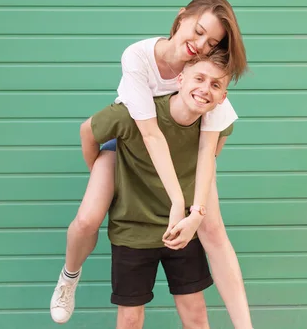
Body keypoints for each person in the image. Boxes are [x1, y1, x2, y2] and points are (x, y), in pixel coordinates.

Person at [51, 0, 253, 328]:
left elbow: (208, 152)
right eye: (198, 31)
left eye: (212, 42)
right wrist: (107, 176)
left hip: (178, 152)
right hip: (129, 146)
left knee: (213, 229)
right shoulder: (140, 56)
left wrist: (194, 205)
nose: (201, 44)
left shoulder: (209, 89)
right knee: (87, 221)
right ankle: (69, 276)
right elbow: (146, 135)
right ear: (181, 17)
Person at [81, 52, 233, 328]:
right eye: (199, 78)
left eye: (215, 85)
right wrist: (101, 175)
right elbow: (88, 132)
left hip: (182, 229)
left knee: (196, 313)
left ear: (223, 97)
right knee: (129, 318)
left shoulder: (215, 126)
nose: (204, 89)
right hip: (133, 230)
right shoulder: (134, 113)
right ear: (180, 79)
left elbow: (207, 164)